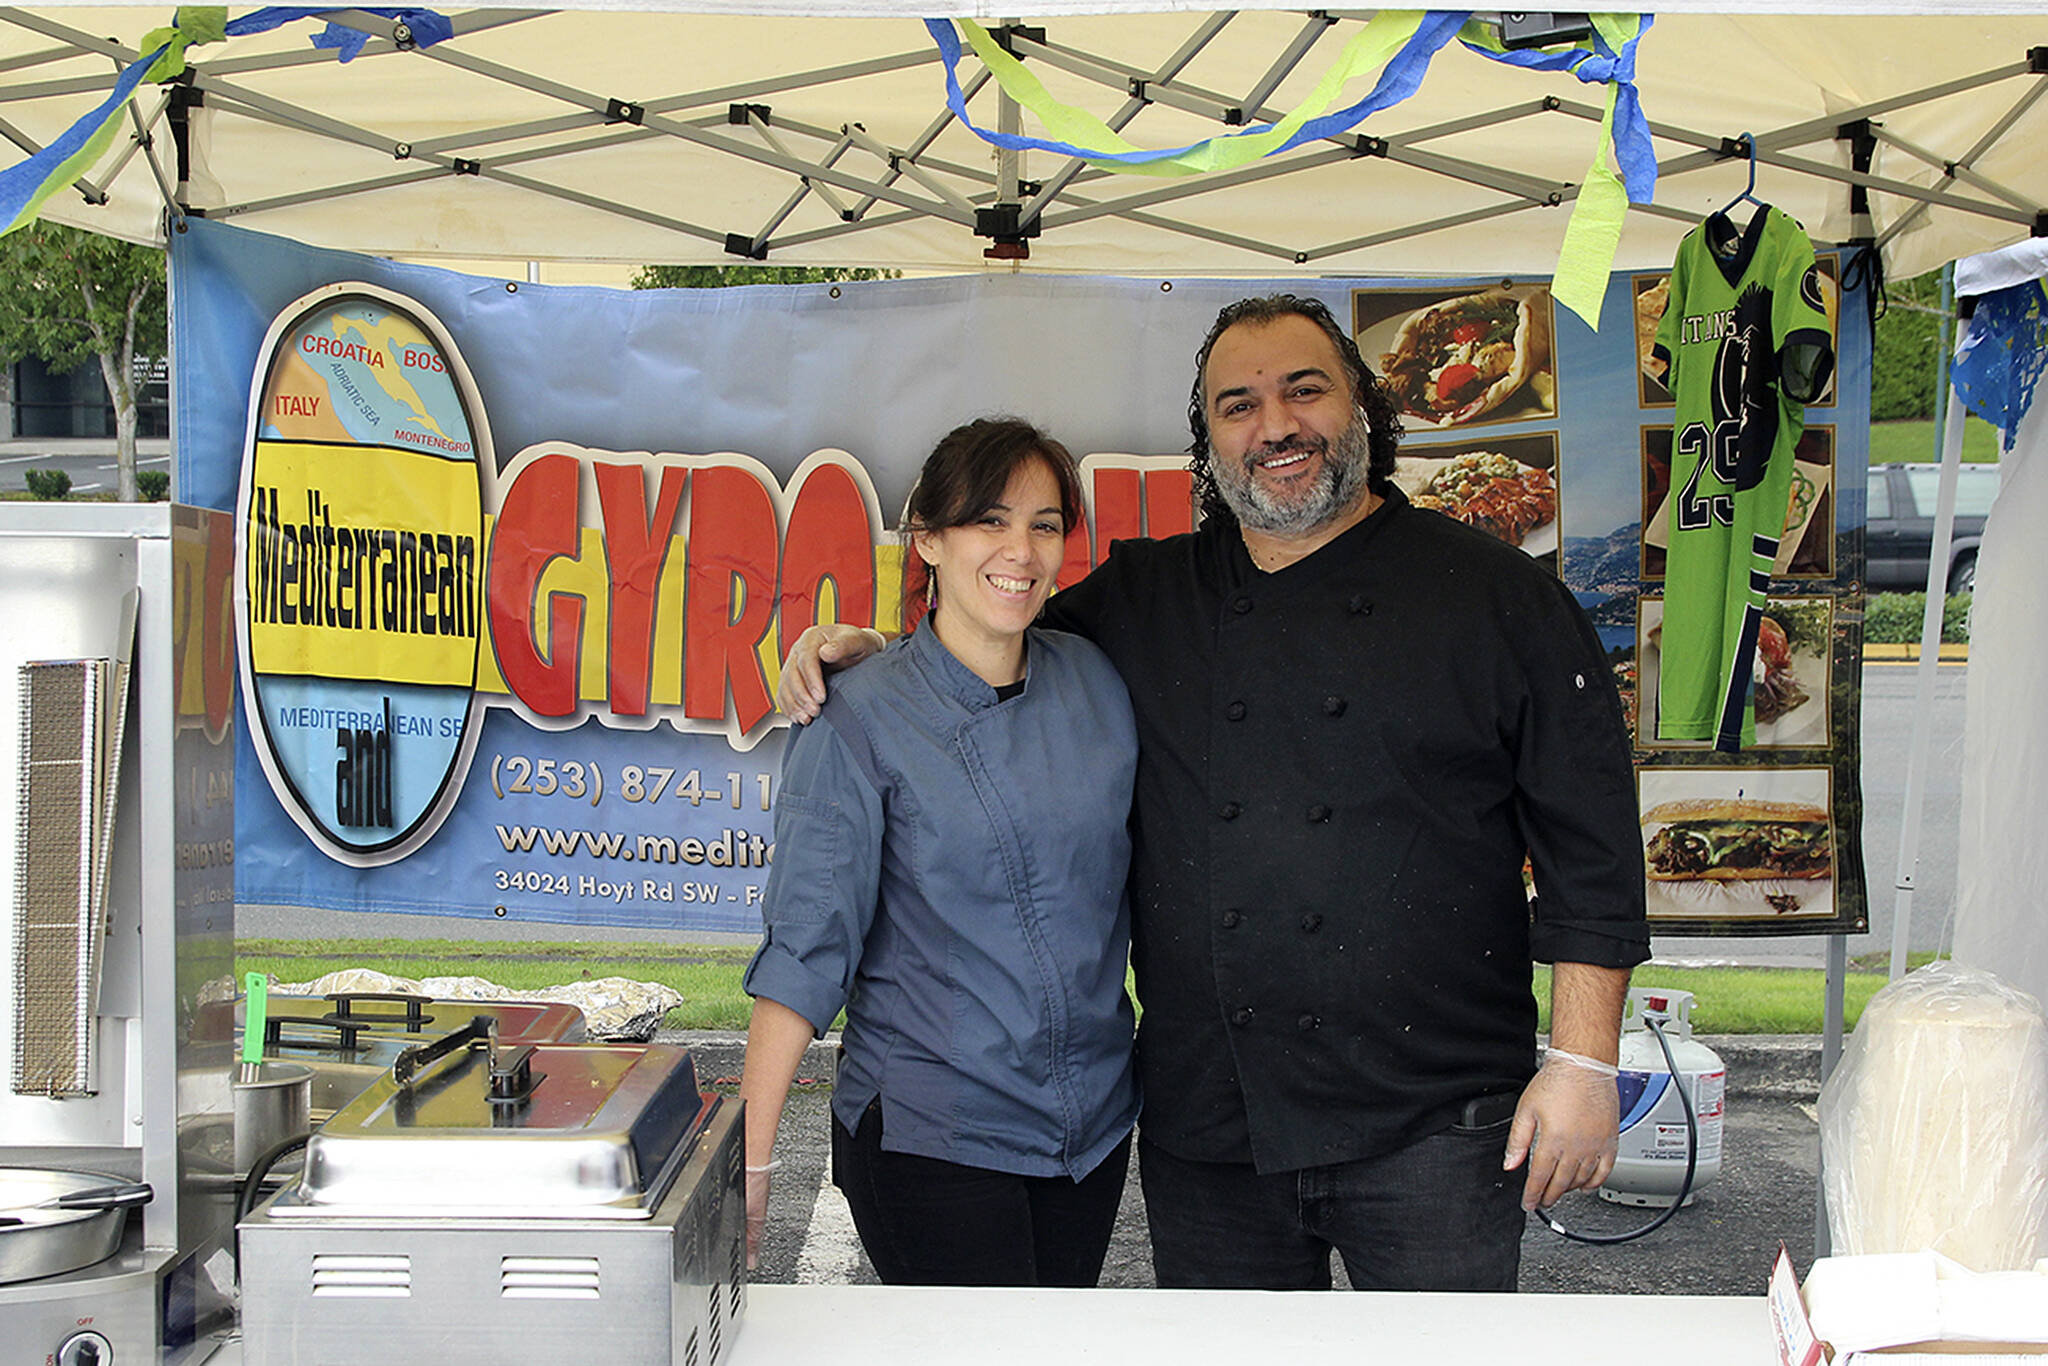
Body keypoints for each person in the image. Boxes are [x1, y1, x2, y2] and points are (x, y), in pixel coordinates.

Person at [777, 295, 1650, 1292]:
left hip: (1433, 1125)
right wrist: (875, 656)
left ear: (1362, 406)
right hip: (1211, 1129)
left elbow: (1589, 840)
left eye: (1302, 390)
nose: (1272, 424)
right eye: (1237, 405)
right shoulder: (1147, 598)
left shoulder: (1496, 595)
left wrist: (1582, 1060)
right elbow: (985, 640)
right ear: (1207, 443)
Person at [738, 417, 1140, 1288]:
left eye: (1044, 523)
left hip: (1090, 1133)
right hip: (934, 1135)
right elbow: (805, 954)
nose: (1021, 550)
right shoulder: (855, 720)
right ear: (927, 539)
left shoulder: (1098, 683)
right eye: (989, 520)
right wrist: (754, 1163)